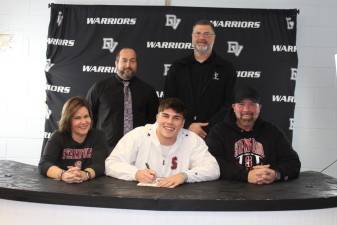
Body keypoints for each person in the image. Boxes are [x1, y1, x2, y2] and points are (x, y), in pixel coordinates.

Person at [105, 98, 220, 188]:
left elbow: (213, 169)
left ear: (183, 122)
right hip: (140, 201)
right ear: (157, 117)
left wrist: (185, 176)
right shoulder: (138, 135)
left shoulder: (192, 140)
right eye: (165, 116)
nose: (169, 122)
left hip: (178, 203)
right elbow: (111, 164)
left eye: (176, 118)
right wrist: (136, 173)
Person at [206, 86, 301, 184]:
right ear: (234, 107)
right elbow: (211, 162)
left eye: (252, 104)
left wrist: (276, 174)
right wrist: (246, 175)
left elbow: (293, 161)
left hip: (267, 194)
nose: (246, 109)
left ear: (259, 107)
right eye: (241, 104)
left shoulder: (272, 131)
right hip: (228, 194)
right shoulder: (219, 132)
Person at [164, 19, 236, 139]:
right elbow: (169, 101)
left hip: (214, 135)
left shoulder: (226, 68)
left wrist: (207, 127)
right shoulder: (178, 67)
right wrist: (187, 125)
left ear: (214, 38)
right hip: (181, 133)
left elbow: (228, 105)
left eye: (206, 34)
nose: (201, 37)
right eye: (197, 33)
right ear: (192, 37)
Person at [86, 48, 159, 153]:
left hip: (139, 150)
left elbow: (154, 123)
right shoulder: (99, 88)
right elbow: (88, 118)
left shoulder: (148, 91)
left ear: (136, 64)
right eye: (124, 60)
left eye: (132, 61)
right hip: (106, 150)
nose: (128, 65)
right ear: (116, 63)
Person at [39, 96, 109, 183]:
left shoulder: (98, 136)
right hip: (61, 188)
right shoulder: (58, 136)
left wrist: (85, 174)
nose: (84, 122)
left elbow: (100, 165)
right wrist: (63, 174)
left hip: (91, 190)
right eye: (77, 118)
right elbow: (44, 164)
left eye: (86, 116)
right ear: (68, 120)